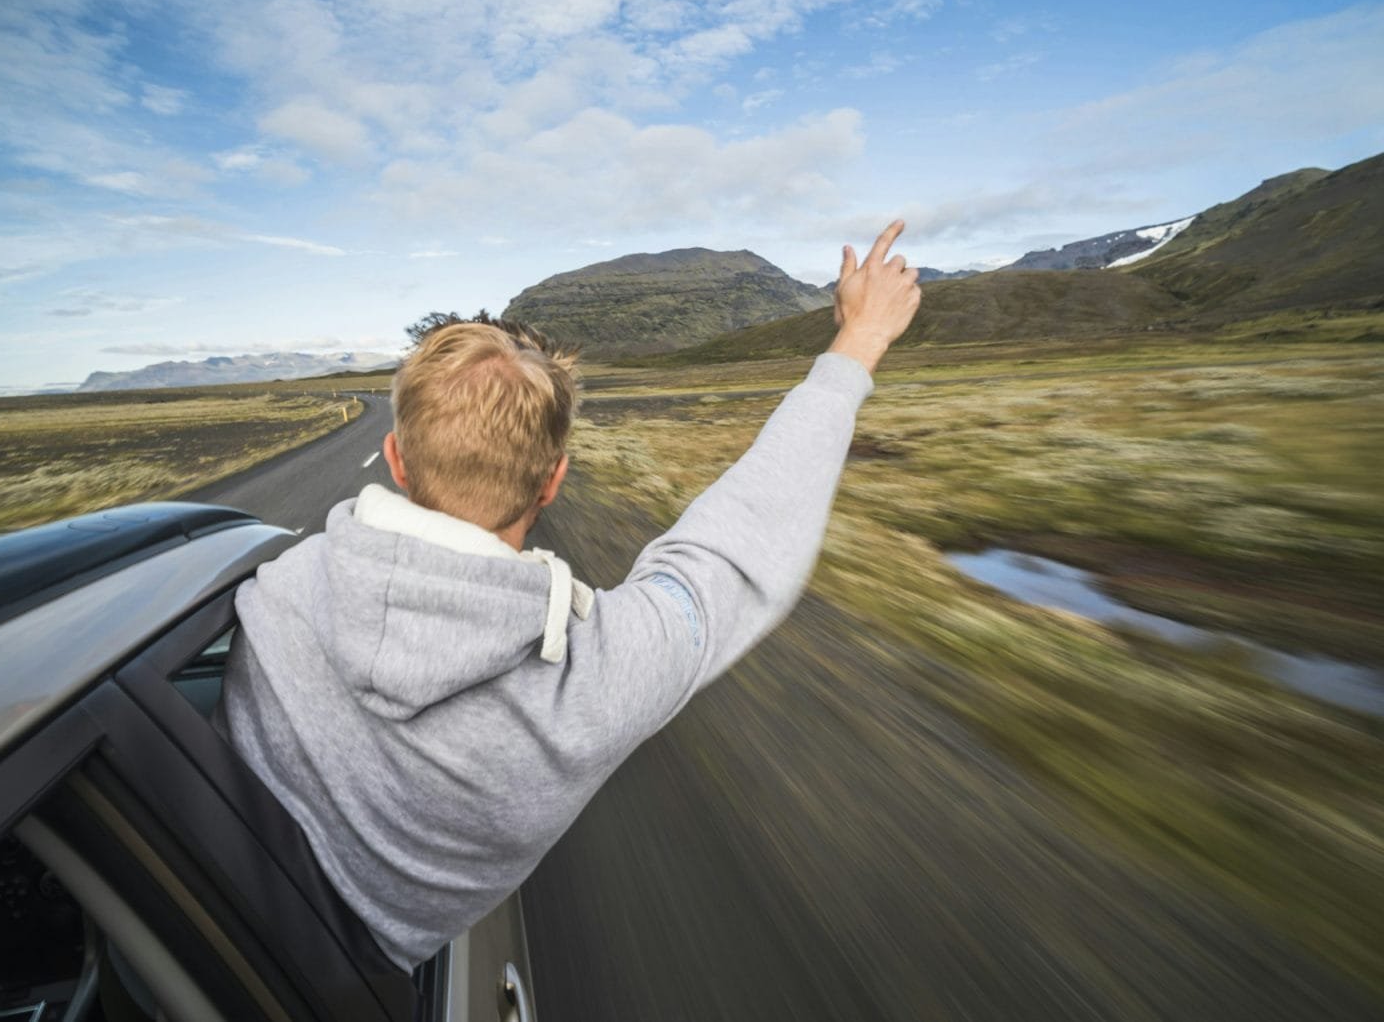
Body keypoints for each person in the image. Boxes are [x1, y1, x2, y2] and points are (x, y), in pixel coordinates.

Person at [216, 222, 922, 971]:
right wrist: (859, 342)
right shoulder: (594, 683)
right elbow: (734, 550)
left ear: (393, 458)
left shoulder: (272, 588)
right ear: (554, 479)